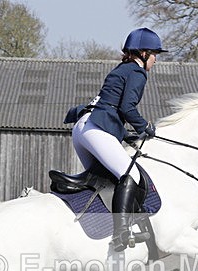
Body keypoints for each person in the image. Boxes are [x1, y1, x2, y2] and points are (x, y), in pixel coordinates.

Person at [66, 28, 167, 252]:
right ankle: (122, 232)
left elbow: (113, 106)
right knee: (130, 174)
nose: (156, 60)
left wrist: (125, 133)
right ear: (143, 53)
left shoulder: (122, 68)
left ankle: (92, 227)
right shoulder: (138, 72)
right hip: (96, 128)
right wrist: (145, 127)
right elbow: (126, 108)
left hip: (83, 128)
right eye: (154, 54)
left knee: (107, 180)